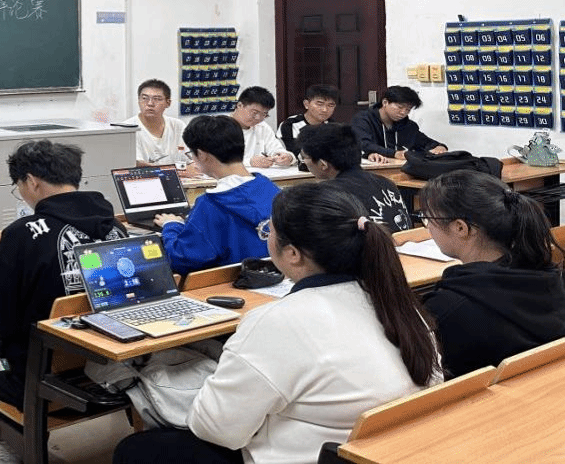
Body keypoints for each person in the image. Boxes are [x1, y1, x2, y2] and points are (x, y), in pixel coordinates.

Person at [114, 184, 438, 464]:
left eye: (269, 231)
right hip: (387, 451)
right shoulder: (397, 303)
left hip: (314, 455)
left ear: (293, 253)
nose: (266, 237)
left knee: (138, 449)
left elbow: (216, 430)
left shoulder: (278, 322)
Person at [0, 140, 126, 464]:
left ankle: (6, 430)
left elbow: (6, 320)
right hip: (111, 365)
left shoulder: (21, 234)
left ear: (32, 181)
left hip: (28, 372)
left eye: (19, 186)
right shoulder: (115, 227)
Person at [418, 170, 565, 378]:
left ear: (461, 228)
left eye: (428, 219)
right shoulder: (549, 277)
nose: (428, 228)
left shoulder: (445, 310)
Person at [154, 115, 280, 274]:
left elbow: (182, 260)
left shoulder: (210, 205)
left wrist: (171, 225)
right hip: (275, 277)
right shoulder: (272, 190)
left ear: (202, 155)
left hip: (228, 284)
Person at [297, 123, 411, 232]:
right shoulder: (386, 183)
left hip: (370, 246)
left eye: (304, 157)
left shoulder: (327, 194)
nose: (304, 162)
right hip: (403, 244)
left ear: (323, 164)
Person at [351, 85, 447, 162]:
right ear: (385, 102)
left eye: (408, 109)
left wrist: (440, 147)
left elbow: (425, 142)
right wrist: (394, 154)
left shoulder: (408, 125)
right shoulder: (363, 120)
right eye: (400, 107)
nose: (403, 113)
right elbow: (364, 144)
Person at [119, 79, 188, 167]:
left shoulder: (178, 126)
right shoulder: (126, 129)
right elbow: (135, 164)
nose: (150, 103)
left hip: (179, 175)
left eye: (157, 99)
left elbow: (190, 160)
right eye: (144, 98)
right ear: (138, 101)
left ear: (168, 103)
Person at [230, 86, 294, 168]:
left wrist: (288, 157)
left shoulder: (262, 127)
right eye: (254, 112)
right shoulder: (220, 126)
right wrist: (249, 162)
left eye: (264, 114)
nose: (258, 118)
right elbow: (217, 162)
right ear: (239, 105)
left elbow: (276, 149)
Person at [276, 84, 338, 156]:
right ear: (306, 104)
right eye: (320, 104)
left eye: (330, 105)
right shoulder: (290, 125)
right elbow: (284, 152)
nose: (325, 109)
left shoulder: (335, 127)